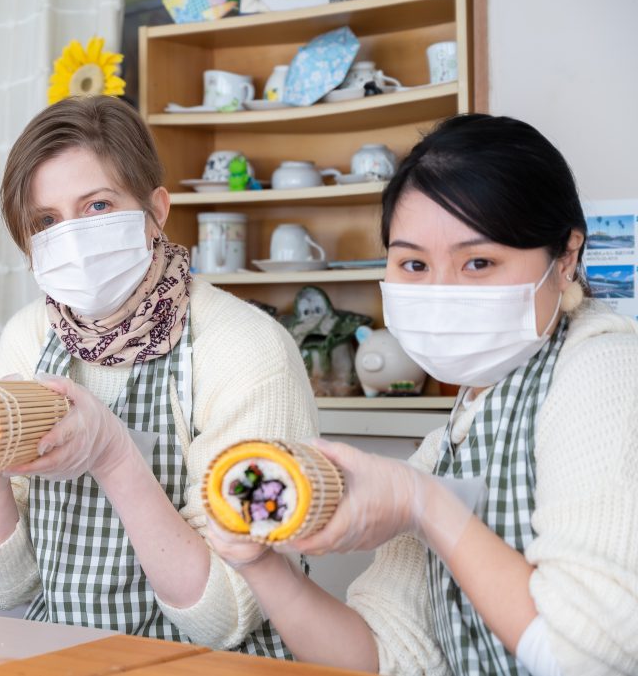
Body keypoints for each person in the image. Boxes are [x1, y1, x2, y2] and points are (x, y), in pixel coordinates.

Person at [207, 114, 638, 675]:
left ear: (565, 258)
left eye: (478, 262)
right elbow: (382, 657)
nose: (440, 293)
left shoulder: (606, 371)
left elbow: (591, 656)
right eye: (413, 263)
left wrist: (423, 505)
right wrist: (259, 563)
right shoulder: (452, 439)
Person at [0, 96, 317, 656]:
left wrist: (114, 456)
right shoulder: (30, 337)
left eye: (97, 206)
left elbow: (227, 615)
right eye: (46, 221)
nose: (70, 237)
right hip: (65, 658)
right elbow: (4, 585)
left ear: (157, 210)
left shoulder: (245, 348)